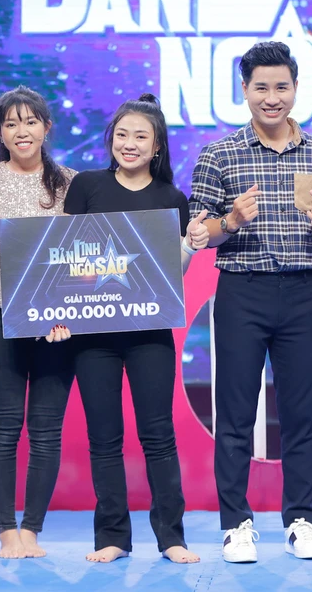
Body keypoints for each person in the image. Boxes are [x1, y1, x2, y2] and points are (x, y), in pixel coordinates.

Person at [189, 41, 312, 563]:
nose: (272, 97)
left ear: (296, 88)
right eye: (262, 87)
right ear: (245, 90)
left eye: (282, 86)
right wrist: (230, 221)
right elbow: (199, 232)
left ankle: (302, 522)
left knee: (301, 415)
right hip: (242, 291)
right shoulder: (219, 154)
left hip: (302, 293)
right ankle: (235, 525)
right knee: (235, 414)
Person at [62, 93, 208, 564]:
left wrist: (190, 245)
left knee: (158, 435)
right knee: (104, 438)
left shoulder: (172, 200)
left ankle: (172, 537)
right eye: (122, 134)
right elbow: (64, 260)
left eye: (140, 136)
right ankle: (112, 537)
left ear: (157, 146)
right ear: (111, 140)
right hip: (93, 337)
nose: (130, 144)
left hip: (150, 335)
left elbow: (172, 274)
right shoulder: (86, 186)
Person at [0, 86, 76, 558]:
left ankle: (32, 530)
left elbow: (85, 254)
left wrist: (65, 310)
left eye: (31, 121)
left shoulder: (71, 183)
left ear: (46, 128)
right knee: (2, 428)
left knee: (46, 430)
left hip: (58, 326)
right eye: (11, 123)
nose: (22, 131)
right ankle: (6, 531)